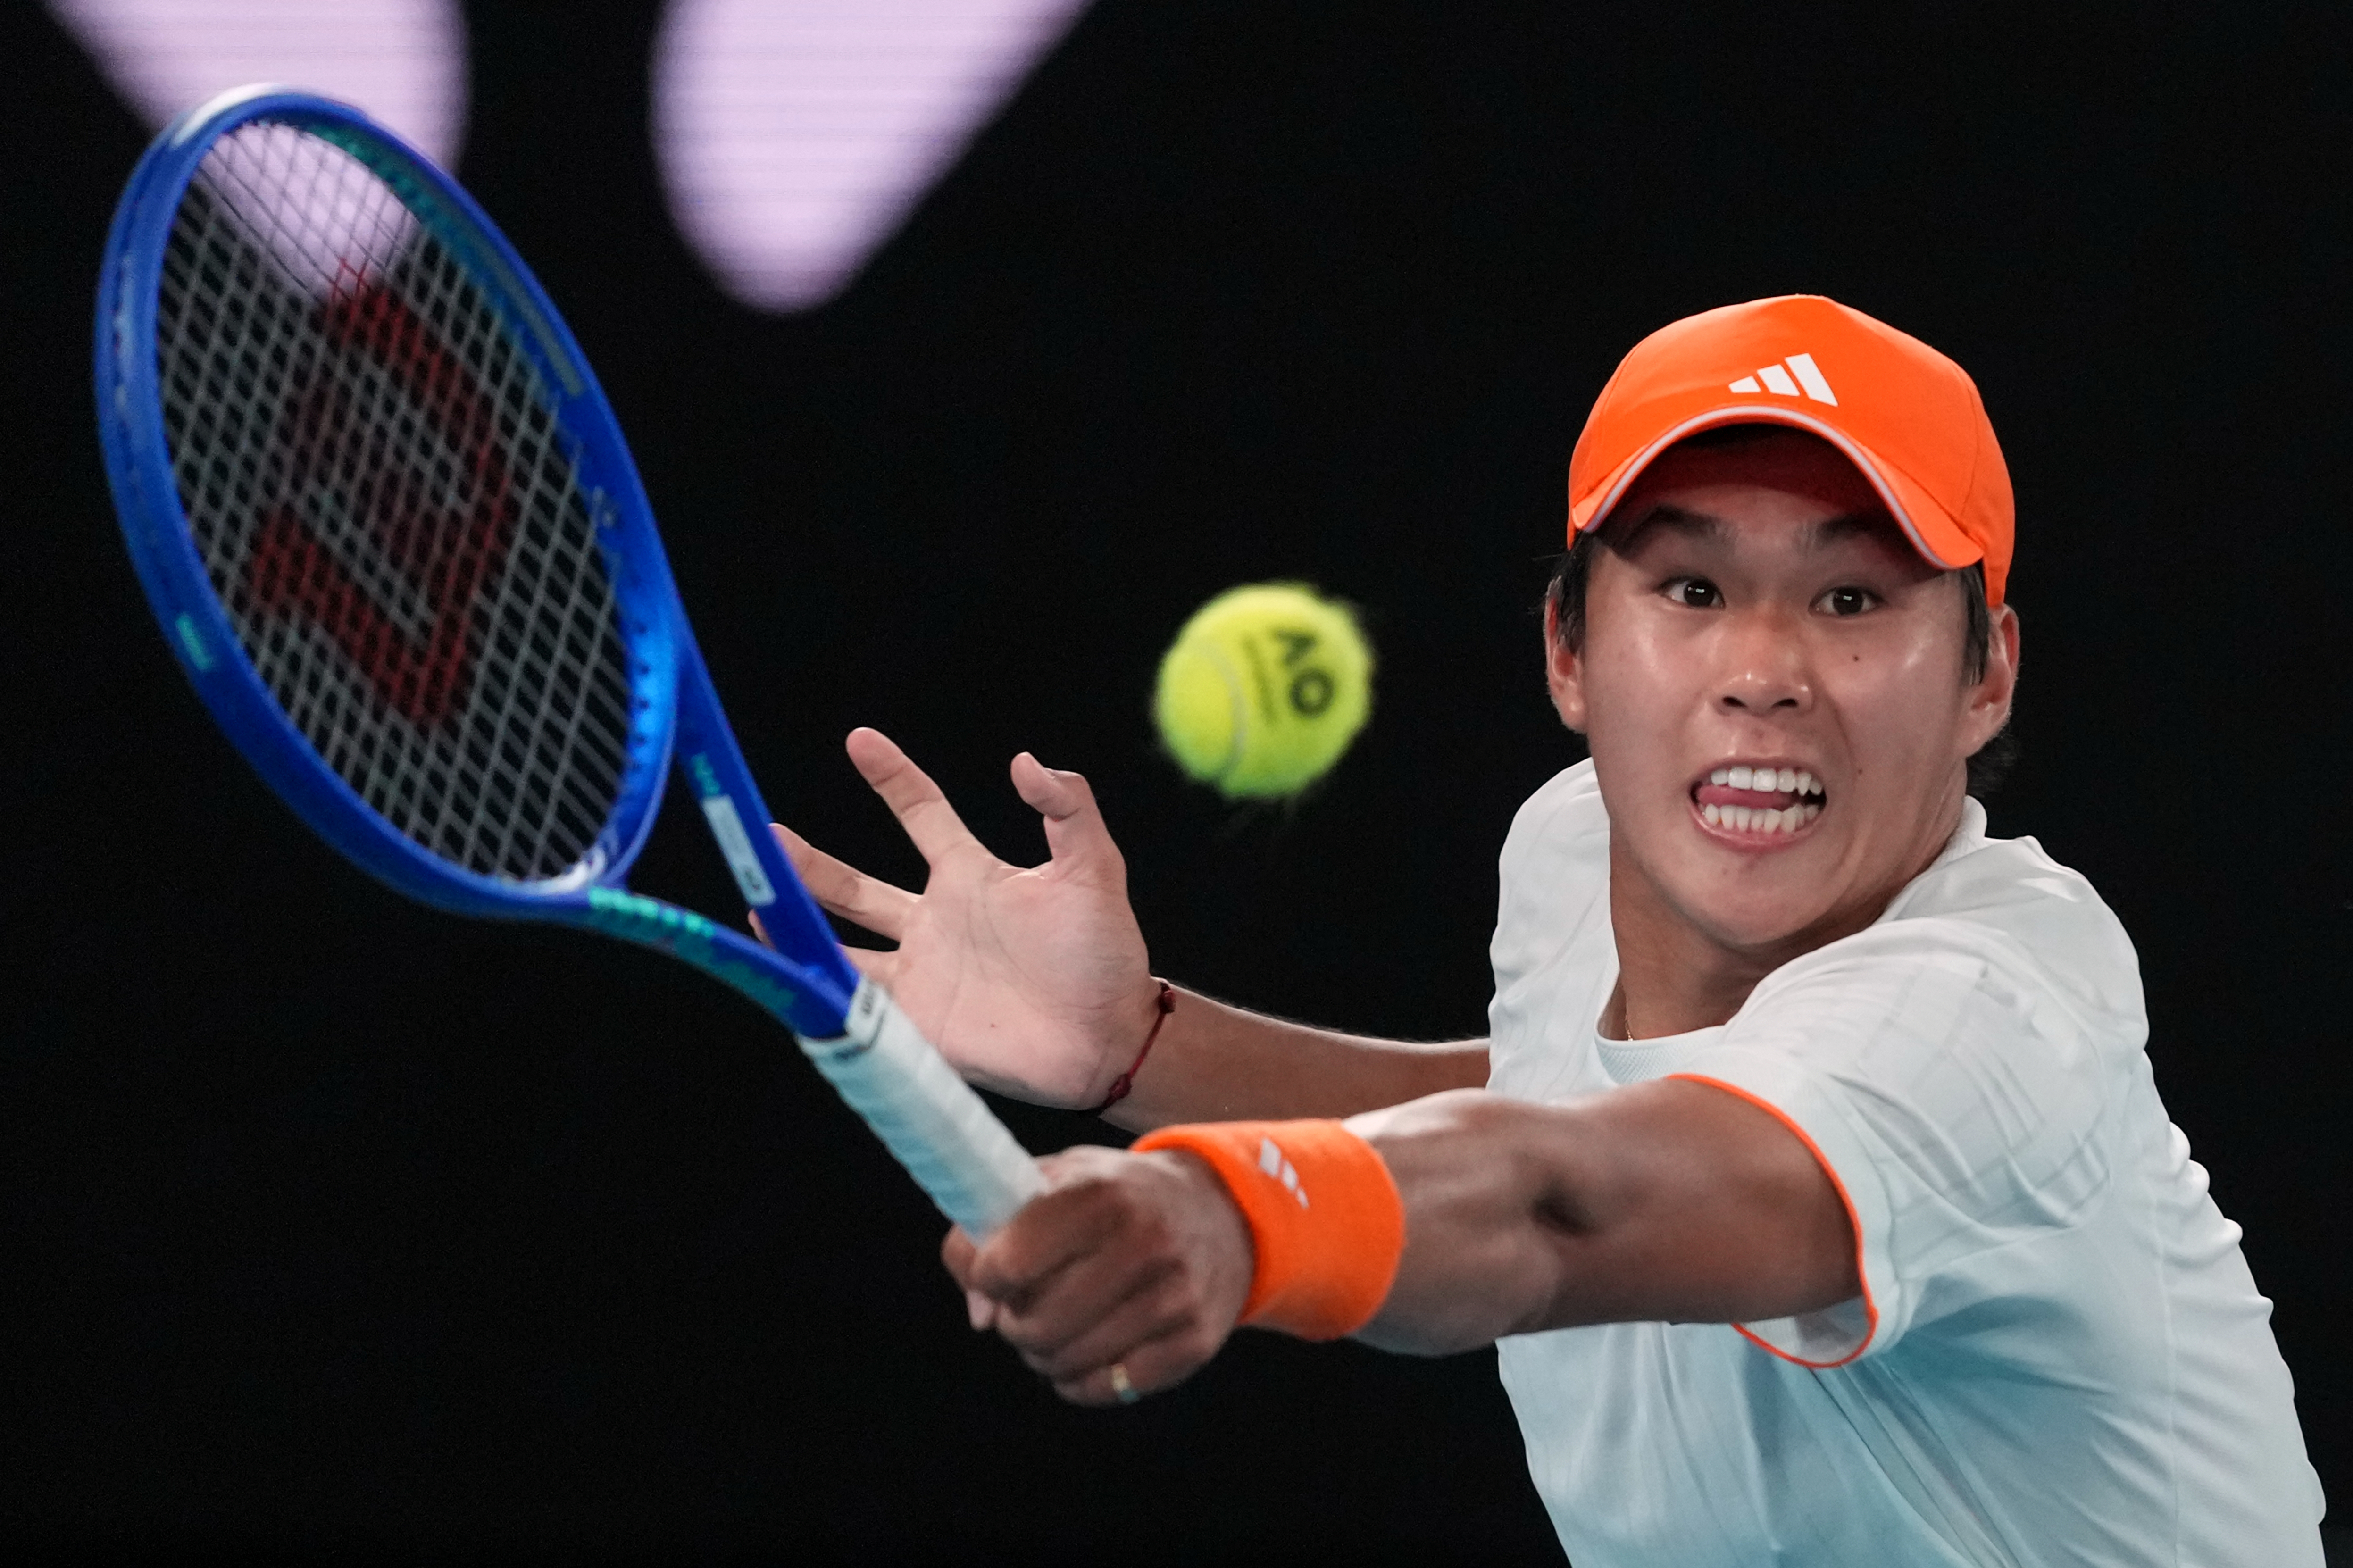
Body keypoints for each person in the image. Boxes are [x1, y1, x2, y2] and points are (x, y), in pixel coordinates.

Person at [778, 296, 2325, 1565]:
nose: (1763, 669)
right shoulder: (1575, 848)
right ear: (1570, 651)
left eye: (1853, 601)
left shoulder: (1996, 1017)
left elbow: (1567, 1200)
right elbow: (1545, 1107)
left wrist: (1236, 1213)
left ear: (1985, 674)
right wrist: (1149, 1055)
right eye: (1693, 586)